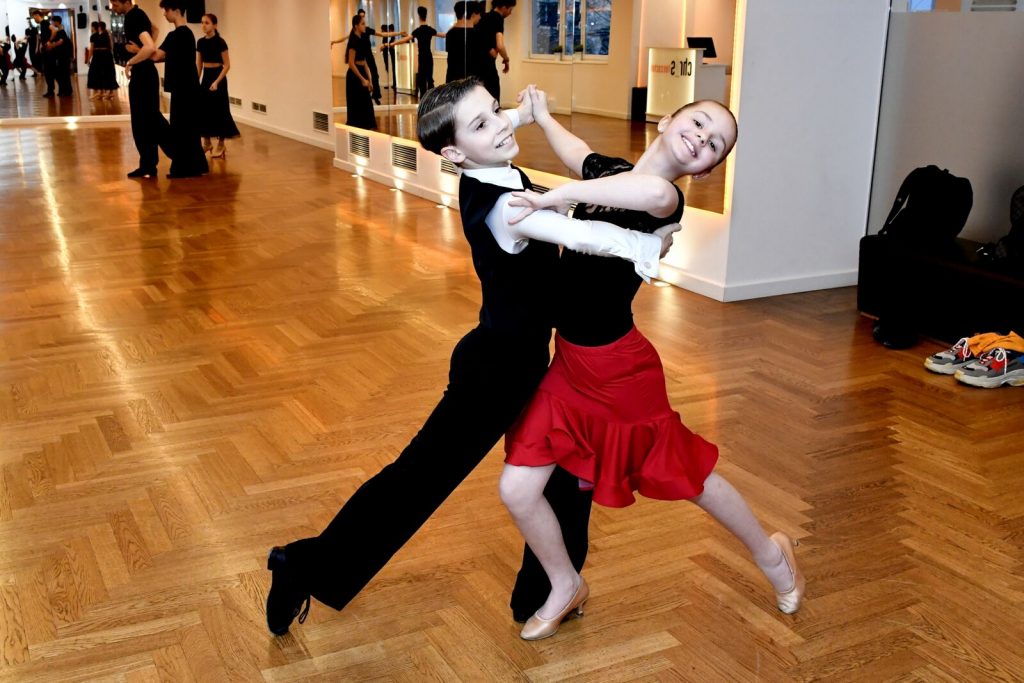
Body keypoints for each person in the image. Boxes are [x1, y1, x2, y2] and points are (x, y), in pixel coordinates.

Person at [264, 77, 680, 636]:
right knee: (420, 479)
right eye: (482, 123)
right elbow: (579, 235)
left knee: (565, 470)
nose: (500, 125)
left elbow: (494, 126)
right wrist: (649, 245)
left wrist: (527, 113)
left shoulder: (489, 166)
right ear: (455, 153)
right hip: (496, 374)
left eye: (495, 110)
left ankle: (546, 590)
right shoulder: (504, 204)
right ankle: (303, 565)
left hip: (521, 363)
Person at [496, 88, 806, 641]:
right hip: (571, 365)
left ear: (706, 169)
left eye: (716, 144)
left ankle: (773, 555)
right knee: (518, 489)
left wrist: (550, 199)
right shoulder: (612, 174)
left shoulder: (664, 198)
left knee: (690, 478)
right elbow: (580, 154)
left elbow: (634, 189)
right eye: (700, 123)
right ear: (668, 120)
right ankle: (565, 584)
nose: (703, 139)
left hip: (619, 372)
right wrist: (543, 118)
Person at [111, 0, 172, 179]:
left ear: (125, 2)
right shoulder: (139, 13)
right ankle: (148, 165)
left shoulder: (133, 17)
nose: (113, 8)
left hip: (143, 75)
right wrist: (141, 50)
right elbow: (155, 30)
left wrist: (132, 60)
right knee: (146, 121)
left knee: (146, 121)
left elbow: (150, 47)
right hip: (146, 74)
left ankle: (176, 156)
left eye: (115, 4)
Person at [149, 0, 208, 178]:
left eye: (166, 10)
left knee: (181, 128)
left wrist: (141, 49)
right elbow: (170, 57)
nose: (164, 14)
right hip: (190, 87)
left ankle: (184, 168)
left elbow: (156, 56)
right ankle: (196, 165)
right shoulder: (189, 34)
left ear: (175, 10)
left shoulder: (174, 35)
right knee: (190, 128)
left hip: (182, 89)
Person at [331, 9, 403, 106]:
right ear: (357, 24)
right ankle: (368, 93)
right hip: (360, 56)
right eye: (361, 18)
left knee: (375, 74)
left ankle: (375, 95)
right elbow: (346, 39)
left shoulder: (366, 30)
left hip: (367, 54)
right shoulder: (355, 36)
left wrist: (399, 33)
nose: (363, 19)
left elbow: (382, 34)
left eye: (364, 16)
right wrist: (334, 41)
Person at [196, 13, 240, 158]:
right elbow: (199, 65)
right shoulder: (200, 42)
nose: (203, 25)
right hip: (206, 78)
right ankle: (207, 142)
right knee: (203, 110)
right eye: (202, 22)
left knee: (220, 110)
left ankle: (221, 144)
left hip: (218, 78)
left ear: (214, 25)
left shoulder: (220, 42)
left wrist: (216, 82)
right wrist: (196, 81)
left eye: (207, 23)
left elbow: (227, 65)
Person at [384, 6, 444, 99]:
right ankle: (431, 101)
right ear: (426, 15)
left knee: (422, 80)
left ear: (419, 16)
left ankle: (423, 100)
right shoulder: (430, 30)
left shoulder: (418, 31)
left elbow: (405, 39)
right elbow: (443, 35)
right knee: (430, 79)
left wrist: (392, 43)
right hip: (428, 57)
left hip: (422, 57)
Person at [474, 0, 514, 103]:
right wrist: (506, 59)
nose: (510, 13)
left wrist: (488, 48)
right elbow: (500, 46)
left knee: (478, 98)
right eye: (510, 9)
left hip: (474, 66)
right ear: (504, 7)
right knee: (493, 98)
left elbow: (476, 37)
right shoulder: (498, 18)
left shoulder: (482, 16)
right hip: (487, 67)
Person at [344, 13, 376, 130]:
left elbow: (364, 62)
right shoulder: (353, 41)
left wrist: (370, 79)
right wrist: (362, 79)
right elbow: (351, 63)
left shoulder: (362, 40)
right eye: (362, 24)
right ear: (356, 26)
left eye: (364, 24)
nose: (364, 26)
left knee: (366, 103)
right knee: (358, 103)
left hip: (361, 72)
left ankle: (365, 128)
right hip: (354, 76)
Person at [444, 2, 476, 83]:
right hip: (470, 80)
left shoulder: (450, 34)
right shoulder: (476, 34)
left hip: (452, 77)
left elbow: (450, 57)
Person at [87, 21, 118, 100]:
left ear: (99, 27)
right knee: (106, 73)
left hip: (100, 55)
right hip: (106, 55)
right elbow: (111, 46)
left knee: (101, 73)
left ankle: (104, 92)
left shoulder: (99, 36)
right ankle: (106, 92)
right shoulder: (106, 35)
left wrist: (88, 59)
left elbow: (92, 48)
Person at [44, 14, 73, 98]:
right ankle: (63, 91)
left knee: (64, 73)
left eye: (52, 22)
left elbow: (60, 42)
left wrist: (52, 45)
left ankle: (66, 91)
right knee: (62, 74)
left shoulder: (61, 31)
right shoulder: (60, 31)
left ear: (56, 22)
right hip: (62, 56)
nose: (52, 23)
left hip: (63, 56)